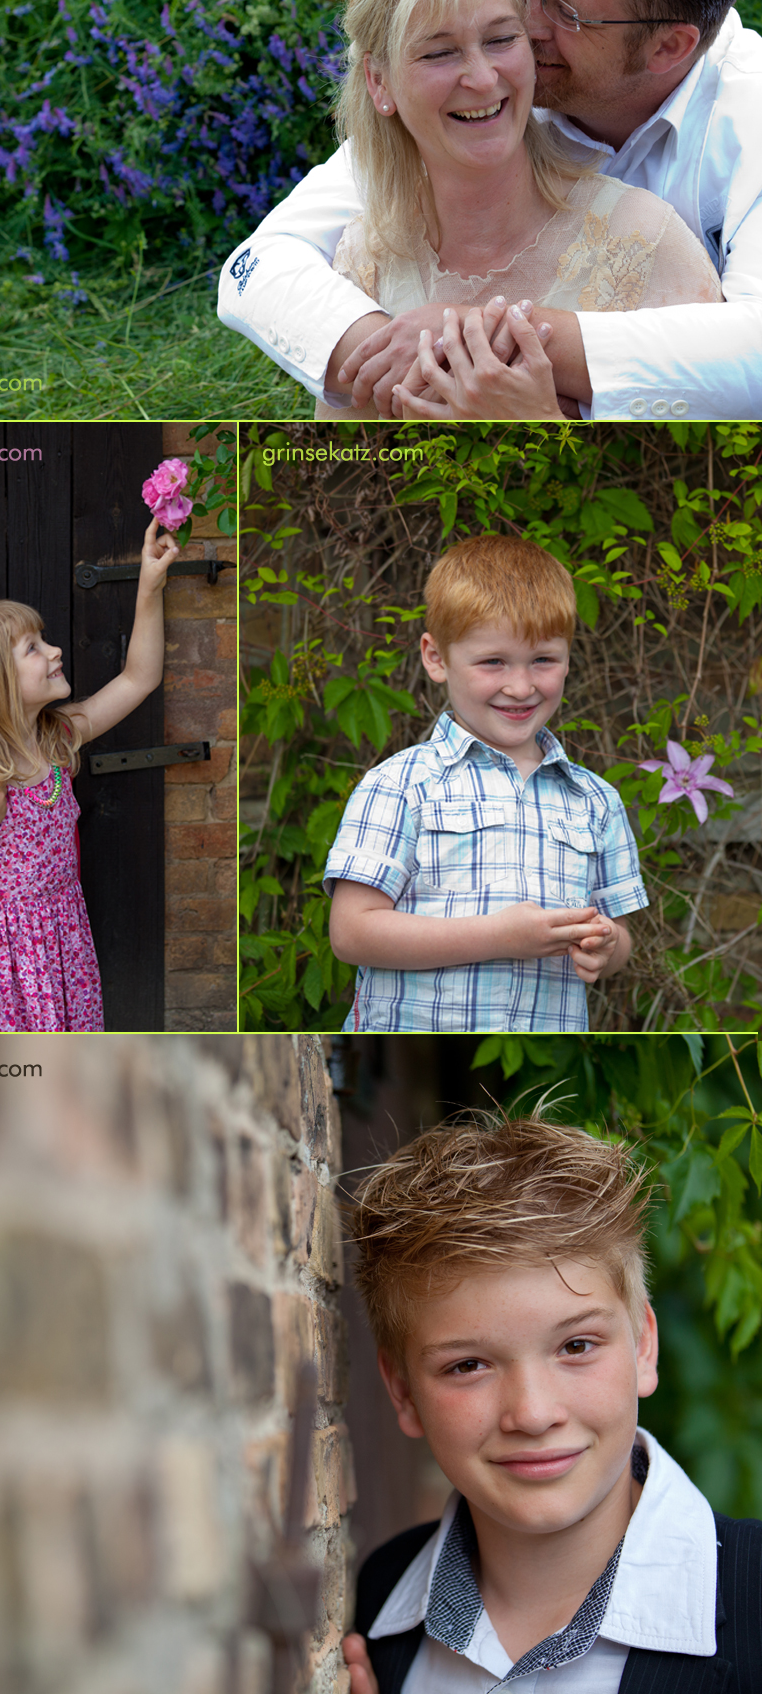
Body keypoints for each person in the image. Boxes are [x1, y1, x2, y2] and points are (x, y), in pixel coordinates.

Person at [218, 0, 762, 423]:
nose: (523, 24)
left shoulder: (745, 123)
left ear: (668, 48)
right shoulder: (506, 84)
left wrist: (478, 340)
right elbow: (259, 265)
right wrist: (397, 361)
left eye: (566, 11)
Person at [342, 1111, 762, 1694]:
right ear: (404, 1391)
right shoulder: (379, 1599)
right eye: (468, 1365)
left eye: (576, 1346)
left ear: (643, 1347)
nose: (534, 1414)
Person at [307, 0, 720, 426]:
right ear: (379, 83)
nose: (482, 78)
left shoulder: (644, 244)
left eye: (502, 39)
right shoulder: (364, 259)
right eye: (439, 53)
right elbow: (334, 482)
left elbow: (710, 489)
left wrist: (542, 426)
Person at [324, 535, 647, 1032]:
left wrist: (605, 947)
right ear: (436, 658)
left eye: (544, 659)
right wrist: (498, 936)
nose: (521, 686)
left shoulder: (596, 801)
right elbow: (351, 932)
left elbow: (620, 935)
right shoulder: (401, 785)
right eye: (493, 661)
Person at [0, 518, 178, 1030]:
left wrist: (150, 585)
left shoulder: (57, 740)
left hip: (62, 946)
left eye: (43, 640)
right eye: (32, 648)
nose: (54, 651)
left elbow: (140, 678)